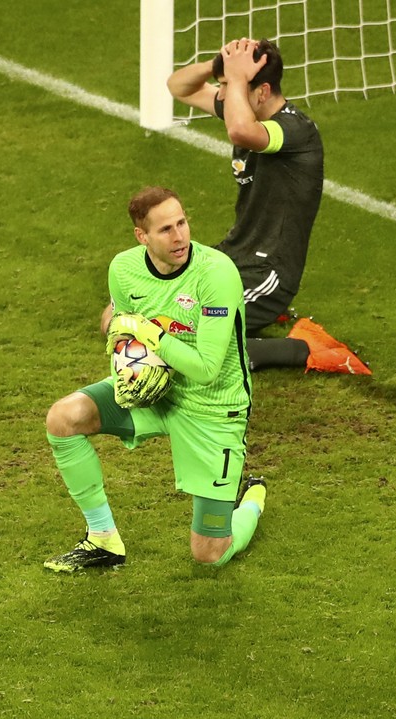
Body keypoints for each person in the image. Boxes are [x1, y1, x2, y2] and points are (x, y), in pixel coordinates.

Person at [44, 187, 267, 572]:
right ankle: (103, 540)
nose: (179, 236)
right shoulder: (124, 269)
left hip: (212, 408)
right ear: (141, 236)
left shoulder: (216, 274)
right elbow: (118, 328)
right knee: (63, 418)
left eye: (182, 223)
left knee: (209, 554)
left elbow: (206, 368)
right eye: (165, 229)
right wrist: (125, 352)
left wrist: (151, 334)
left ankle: (252, 498)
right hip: (153, 392)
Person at [166, 37, 369, 375]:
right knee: (132, 314)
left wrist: (237, 79)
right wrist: (220, 66)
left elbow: (241, 131)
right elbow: (179, 88)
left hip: (269, 273)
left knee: (189, 341)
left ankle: (303, 347)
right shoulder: (244, 104)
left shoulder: (294, 130)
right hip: (229, 257)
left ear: (261, 92)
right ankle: (240, 318)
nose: (222, 96)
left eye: (232, 89)